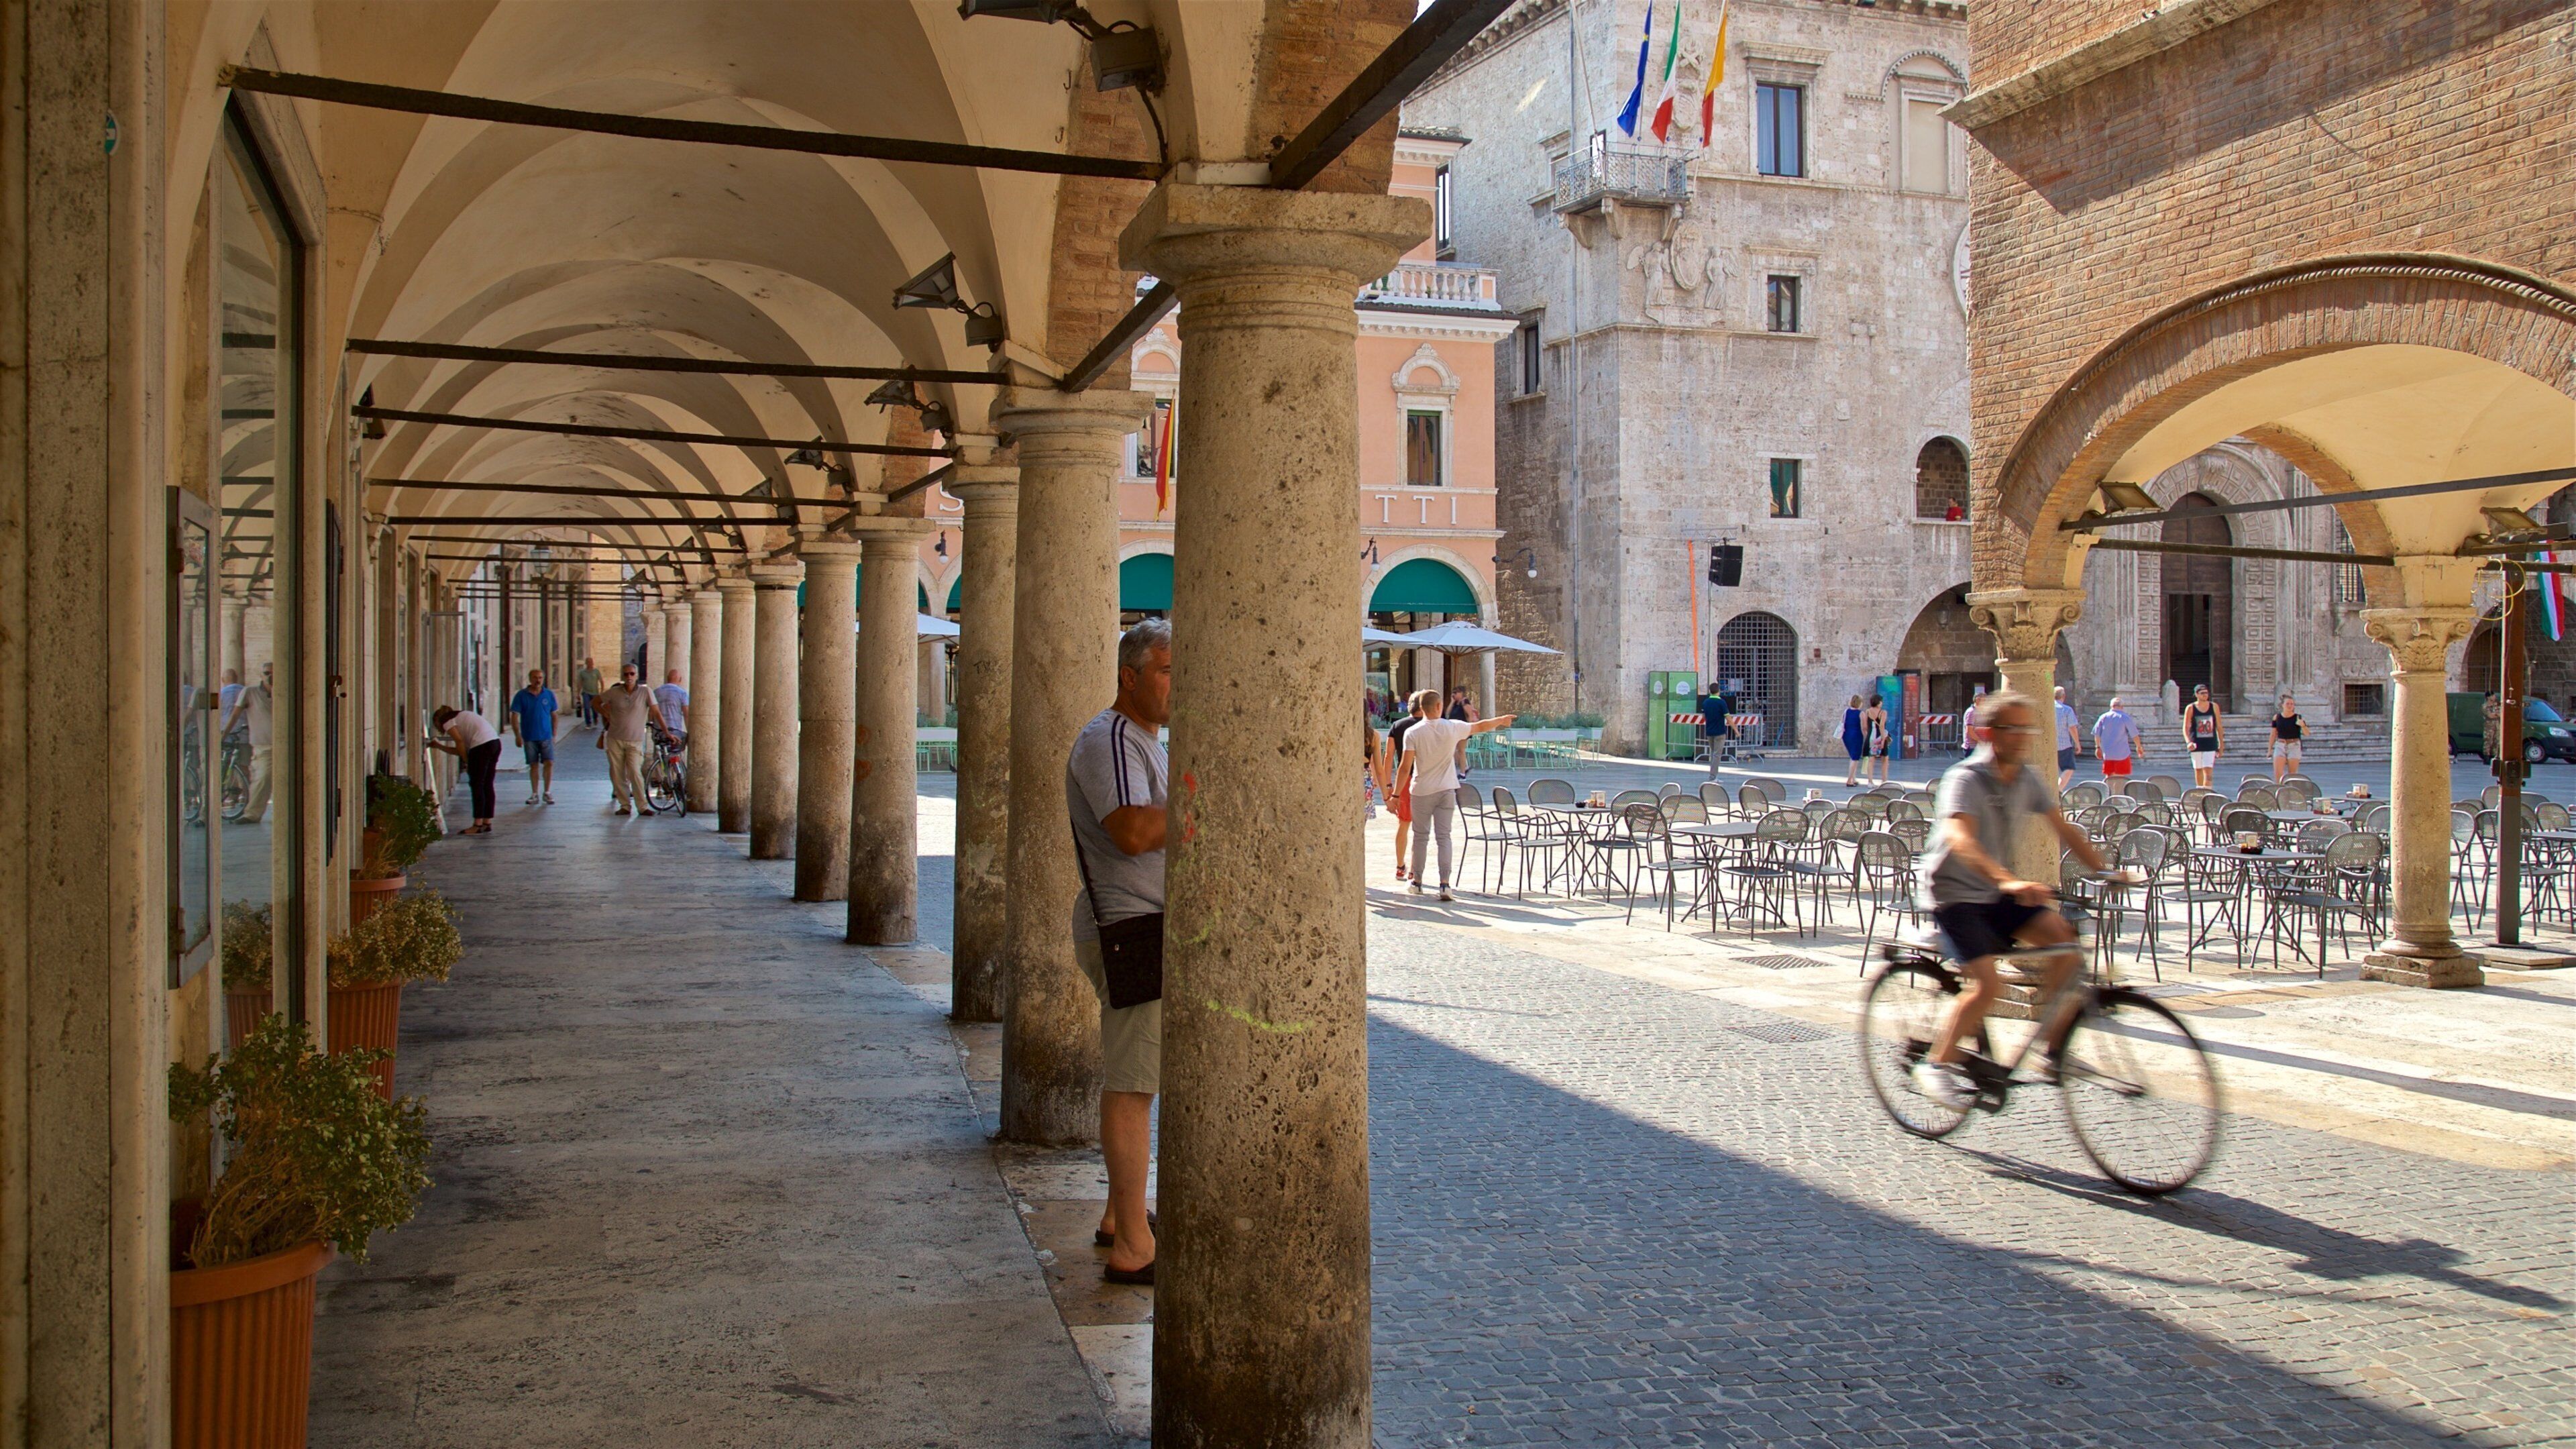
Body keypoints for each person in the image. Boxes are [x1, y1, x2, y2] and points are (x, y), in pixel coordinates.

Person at [1911, 692, 2124, 1110]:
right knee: (1988, 985)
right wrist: (2010, 882)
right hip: (1954, 893)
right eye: (2014, 729)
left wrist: (2104, 871)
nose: (2024, 737)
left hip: (1995, 891)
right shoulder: (1966, 778)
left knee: (2065, 944)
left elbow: (2063, 827)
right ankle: (1935, 1064)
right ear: (1989, 733)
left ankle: (2053, 1049)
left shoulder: (2026, 777)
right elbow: (1960, 838)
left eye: (2028, 728)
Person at [1067, 619, 1171, 1285]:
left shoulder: (1146, 741)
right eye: (1166, 669)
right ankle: (1134, 1246)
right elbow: (1132, 831)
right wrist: (1205, 801)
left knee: (1143, 1079)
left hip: (1144, 923)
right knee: (1132, 1087)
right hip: (1129, 925)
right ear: (1130, 676)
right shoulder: (1107, 739)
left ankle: (1118, 1214)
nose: (1177, 684)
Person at [1393, 688, 1516, 901]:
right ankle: (1445, 884)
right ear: (1439, 707)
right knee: (1444, 838)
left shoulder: (1413, 733)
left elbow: (1405, 767)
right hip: (1447, 789)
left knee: (1421, 837)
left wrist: (1395, 795)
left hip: (1421, 790)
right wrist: (1502, 720)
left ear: (1421, 709)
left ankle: (1417, 882)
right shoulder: (1453, 728)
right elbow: (1481, 726)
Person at [594, 661, 667, 816]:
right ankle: (625, 805)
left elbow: (656, 712)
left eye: (632, 674)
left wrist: (666, 731)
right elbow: (595, 702)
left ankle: (642, 806)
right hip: (615, 738)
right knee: (618, 773)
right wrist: (606, 714)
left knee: (635, 772)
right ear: (623, 676)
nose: (629, 677)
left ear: (637, 675)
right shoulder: (614, 692)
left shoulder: (646, 692)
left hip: (635, 740)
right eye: (626, 674)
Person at [427, 703, 503, 835]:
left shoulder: (447, 720)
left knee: (477, 784)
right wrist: (439, 746)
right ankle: (487, 822)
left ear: (438, 720)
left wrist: (467, 762)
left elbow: (459, 742)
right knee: (487, 784)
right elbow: (460, 750)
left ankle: (477, 824)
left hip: (482, 746)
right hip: (494, 742)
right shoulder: (461, 717)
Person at [219, 661, 276, 824]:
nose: (270, 676)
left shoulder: (284, 692)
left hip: (286, 744)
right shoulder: (249, 692)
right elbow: (235, 715)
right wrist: (224, 735)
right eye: (267, 673)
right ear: (261, 675)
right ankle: (252, 813)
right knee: (263, 778)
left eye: (273, 673)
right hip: (263, 745)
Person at [508, 667, 559, 805]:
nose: (538, 680)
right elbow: (514, 716)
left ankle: (547, 792)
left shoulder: (548, 695)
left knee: (549, 762)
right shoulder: (521, 695)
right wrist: (517, 735)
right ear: (530, 679)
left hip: (546, 735)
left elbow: (554, 715)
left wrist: (554, 734)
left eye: (541, 678)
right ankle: (535, 793)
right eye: (535, 677)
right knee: (534, 764)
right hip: (529, 736)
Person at [1385, 702, 1423, 881]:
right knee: (1420, 829)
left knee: (1404, 823)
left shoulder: (1397, 726)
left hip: (1404, 780)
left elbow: (1389, 755)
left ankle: (1400, 867)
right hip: (1424, 778)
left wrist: (1388, 785)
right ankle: (1415, 870)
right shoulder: (1428, 725)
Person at [2181, 683, 2224, 789]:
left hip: (2210, 743)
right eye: (2202, 693)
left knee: (2208, 769)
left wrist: (2221, 745)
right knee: (2198, 769)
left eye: (2206, 693)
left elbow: (2219, 726)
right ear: (2197, 694)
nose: (2205, 695)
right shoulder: (2191, 708)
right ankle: (2199, 790)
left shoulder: (2214, 707)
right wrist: (2188, 742)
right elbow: (2186, 727)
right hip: (2196, 742)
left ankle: (2208, 791)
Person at [2092, 696, 2140, 781]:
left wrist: (2098, 747)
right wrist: (2139, 747)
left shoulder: (2103, 717)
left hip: (2108, 753)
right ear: (2122, 707)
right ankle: (2118, 793)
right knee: (2120, 777)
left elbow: (2096, 734)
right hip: (2122, 754)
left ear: (2111, 706)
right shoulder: (2125, 717)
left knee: (2109, 776)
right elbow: (2134, 735)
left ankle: (2108, 792)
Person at [2269, 694, 2305, 782]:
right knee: (2278, 775)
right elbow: (2273, 734)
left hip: (2294, 745)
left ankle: (2290, 793)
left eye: (2292, 704)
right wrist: (2269, 749)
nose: (2290, 706)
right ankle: (2279, 792)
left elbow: (2307, 733)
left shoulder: (2298, 717)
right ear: (2282, 705)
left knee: (2292, 775)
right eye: (2287, 704)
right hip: (2280, 744)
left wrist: (2303, 726)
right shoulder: (2277, 717)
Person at [2053, 686, 2082, 793]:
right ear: (2064, 696)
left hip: (2048, 745)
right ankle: (2058, 789)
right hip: (2063, 745)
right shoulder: (2066, 710)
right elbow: (2072, 728)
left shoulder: (2046, 709)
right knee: (2069, 768)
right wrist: (2077, 744)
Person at [653, 667, 690, 747]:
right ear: (680, 679)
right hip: (675, 729)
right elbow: (686, 714)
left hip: (658, 730)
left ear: (667, 679)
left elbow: (651, 712)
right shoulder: (682, 693)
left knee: (660, 755)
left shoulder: (656, 692)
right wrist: (689, 732)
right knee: (675, 754)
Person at [1860, 694, 1892, 786]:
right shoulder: (1883, 712)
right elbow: (1882, 726)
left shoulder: (1868, 711)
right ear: (1879, 702)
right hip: (1879, 736)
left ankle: (1870, 782)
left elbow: (1865, 726)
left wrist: (1867, 736)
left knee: (1871, 760)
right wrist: (1882, 740)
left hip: (1870, 737)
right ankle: (1884, 781)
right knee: (1885, 759)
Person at [1841, 694, 1868, 787]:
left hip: (1846, 736)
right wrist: (1867, 738)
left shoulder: (1846, 712)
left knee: (1852, 757)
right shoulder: (1861, 713)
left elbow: (1842, 723)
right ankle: (1849, 780)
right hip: (1856, 736)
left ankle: (1853, 778)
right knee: (1855, 758)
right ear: (1859, 703)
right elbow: (1864, 728)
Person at [576, 657, 604, 728]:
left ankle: (595, 718)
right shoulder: (582, 673)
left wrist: (602, 691)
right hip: (586, 692)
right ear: (586, 663)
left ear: (593, 663)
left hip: (595, 693)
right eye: (588, 662)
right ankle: (588, 723)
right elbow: (580, 683)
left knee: (595, 708)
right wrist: (578, 694)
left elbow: (601, 681)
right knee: (587, 708)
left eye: (591, 662)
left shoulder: (596, 672)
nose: (590, 663)